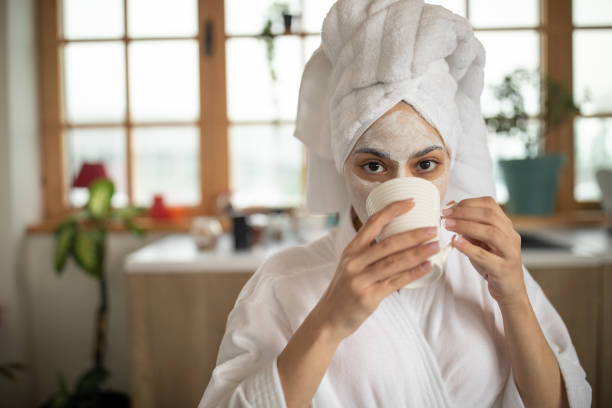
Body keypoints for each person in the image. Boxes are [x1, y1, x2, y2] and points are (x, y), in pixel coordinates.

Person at [199, 0, 591, 407]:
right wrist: (329, 322)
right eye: (373, 165)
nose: (403, 190)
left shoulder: (490, 268)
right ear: (341, 166)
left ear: (450, 163)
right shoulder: (284, 283)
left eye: (426, 164)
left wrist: (514, 296)